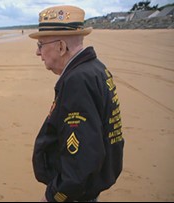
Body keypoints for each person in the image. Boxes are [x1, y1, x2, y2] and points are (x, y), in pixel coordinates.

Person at [29, 5, 124, 202]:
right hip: (85, 188)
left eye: (41, 45)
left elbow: (82, 157)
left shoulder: (78, 80)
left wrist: (55, 196)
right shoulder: (96, 68)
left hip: (75, 194)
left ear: (61, 47)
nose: (38, 53)